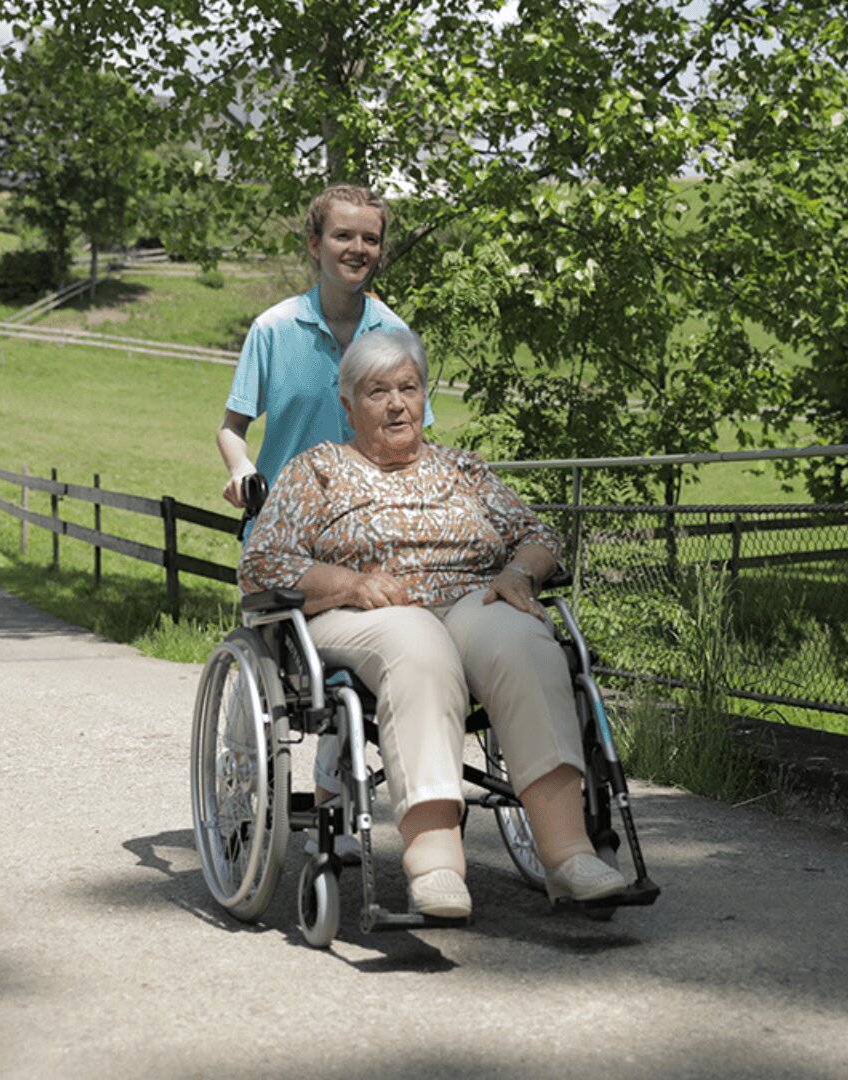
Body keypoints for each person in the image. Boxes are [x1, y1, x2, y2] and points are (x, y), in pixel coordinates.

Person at [240, 327, 627, 919]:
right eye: (377, 391)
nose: (396, 403)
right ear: (347, 405)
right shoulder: (317, 471)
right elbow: (264, 563)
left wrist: (520, 575)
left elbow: (538, 534)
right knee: (417, 646)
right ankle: (436, 862)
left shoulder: (462, 469)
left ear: (425, 396)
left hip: (471, 599)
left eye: (409, 387)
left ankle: (568, 852)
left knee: (526, 639)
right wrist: (349, 582)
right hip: (363, 614)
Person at [215, 183, 433, 812]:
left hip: (372, 536)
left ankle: (341, 781)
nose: (357, 247)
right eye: (343, 235)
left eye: (370, 238)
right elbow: (231, 428)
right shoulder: (274, 329)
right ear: (315, 244)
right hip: (290, 538)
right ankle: (240, 784)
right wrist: (242, 469)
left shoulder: (393, 332)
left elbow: (412, 435)